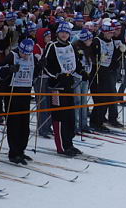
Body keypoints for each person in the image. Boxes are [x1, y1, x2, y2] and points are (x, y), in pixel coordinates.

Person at [43, 22, 85, 156]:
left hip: (69, 85)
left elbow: (76, 63)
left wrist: (82, 72)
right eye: (62, 32)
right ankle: (61, 146)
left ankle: (69, 143)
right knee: (59, 116)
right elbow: (45, 65)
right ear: (57, 33)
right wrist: (57, 76)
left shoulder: (70, 46)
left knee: (70, 116)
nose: (64, 34)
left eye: (66, 32)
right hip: (56, 87)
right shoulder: (52, 45)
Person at [0, 39, 39, 164]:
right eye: (23, 53)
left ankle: (21, 150)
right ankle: (13, 152)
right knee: (14, 124)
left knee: (24, 125)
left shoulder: (32, 57)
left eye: (27, 53)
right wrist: (9, 69)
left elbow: (35, 75)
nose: (25, 56)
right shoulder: (12, 56)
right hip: (12, 93)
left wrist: (40, 67)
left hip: (25, 93)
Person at [90, 20, 124, 130]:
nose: (110, 34)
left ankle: (100, 122)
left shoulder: (112, 42)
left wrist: (120, 51)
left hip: (107, 72)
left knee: (107, 98)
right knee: (99, 99)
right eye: (108, 33)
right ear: (104, 32)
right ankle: (95, 122)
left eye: (112, 33)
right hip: (97, 73)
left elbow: (113, 57)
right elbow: (91, 55)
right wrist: (98, 58)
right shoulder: (96, 41)